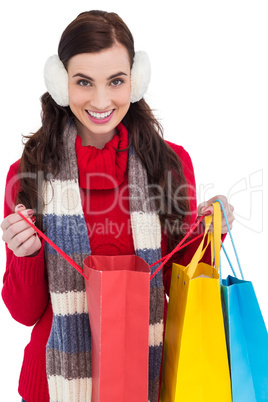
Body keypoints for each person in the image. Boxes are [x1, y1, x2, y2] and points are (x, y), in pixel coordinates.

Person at [1, 10, 234, 402]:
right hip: (55, 385)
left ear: (135, 80)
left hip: (146, 379)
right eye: (83, 82)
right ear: (61, 85)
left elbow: (183, 286)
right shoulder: (27, 173)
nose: (101, 100)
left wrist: (213, 229)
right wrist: (23, 253)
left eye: (116, 81)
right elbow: (25, 313)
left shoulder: (170, 164)